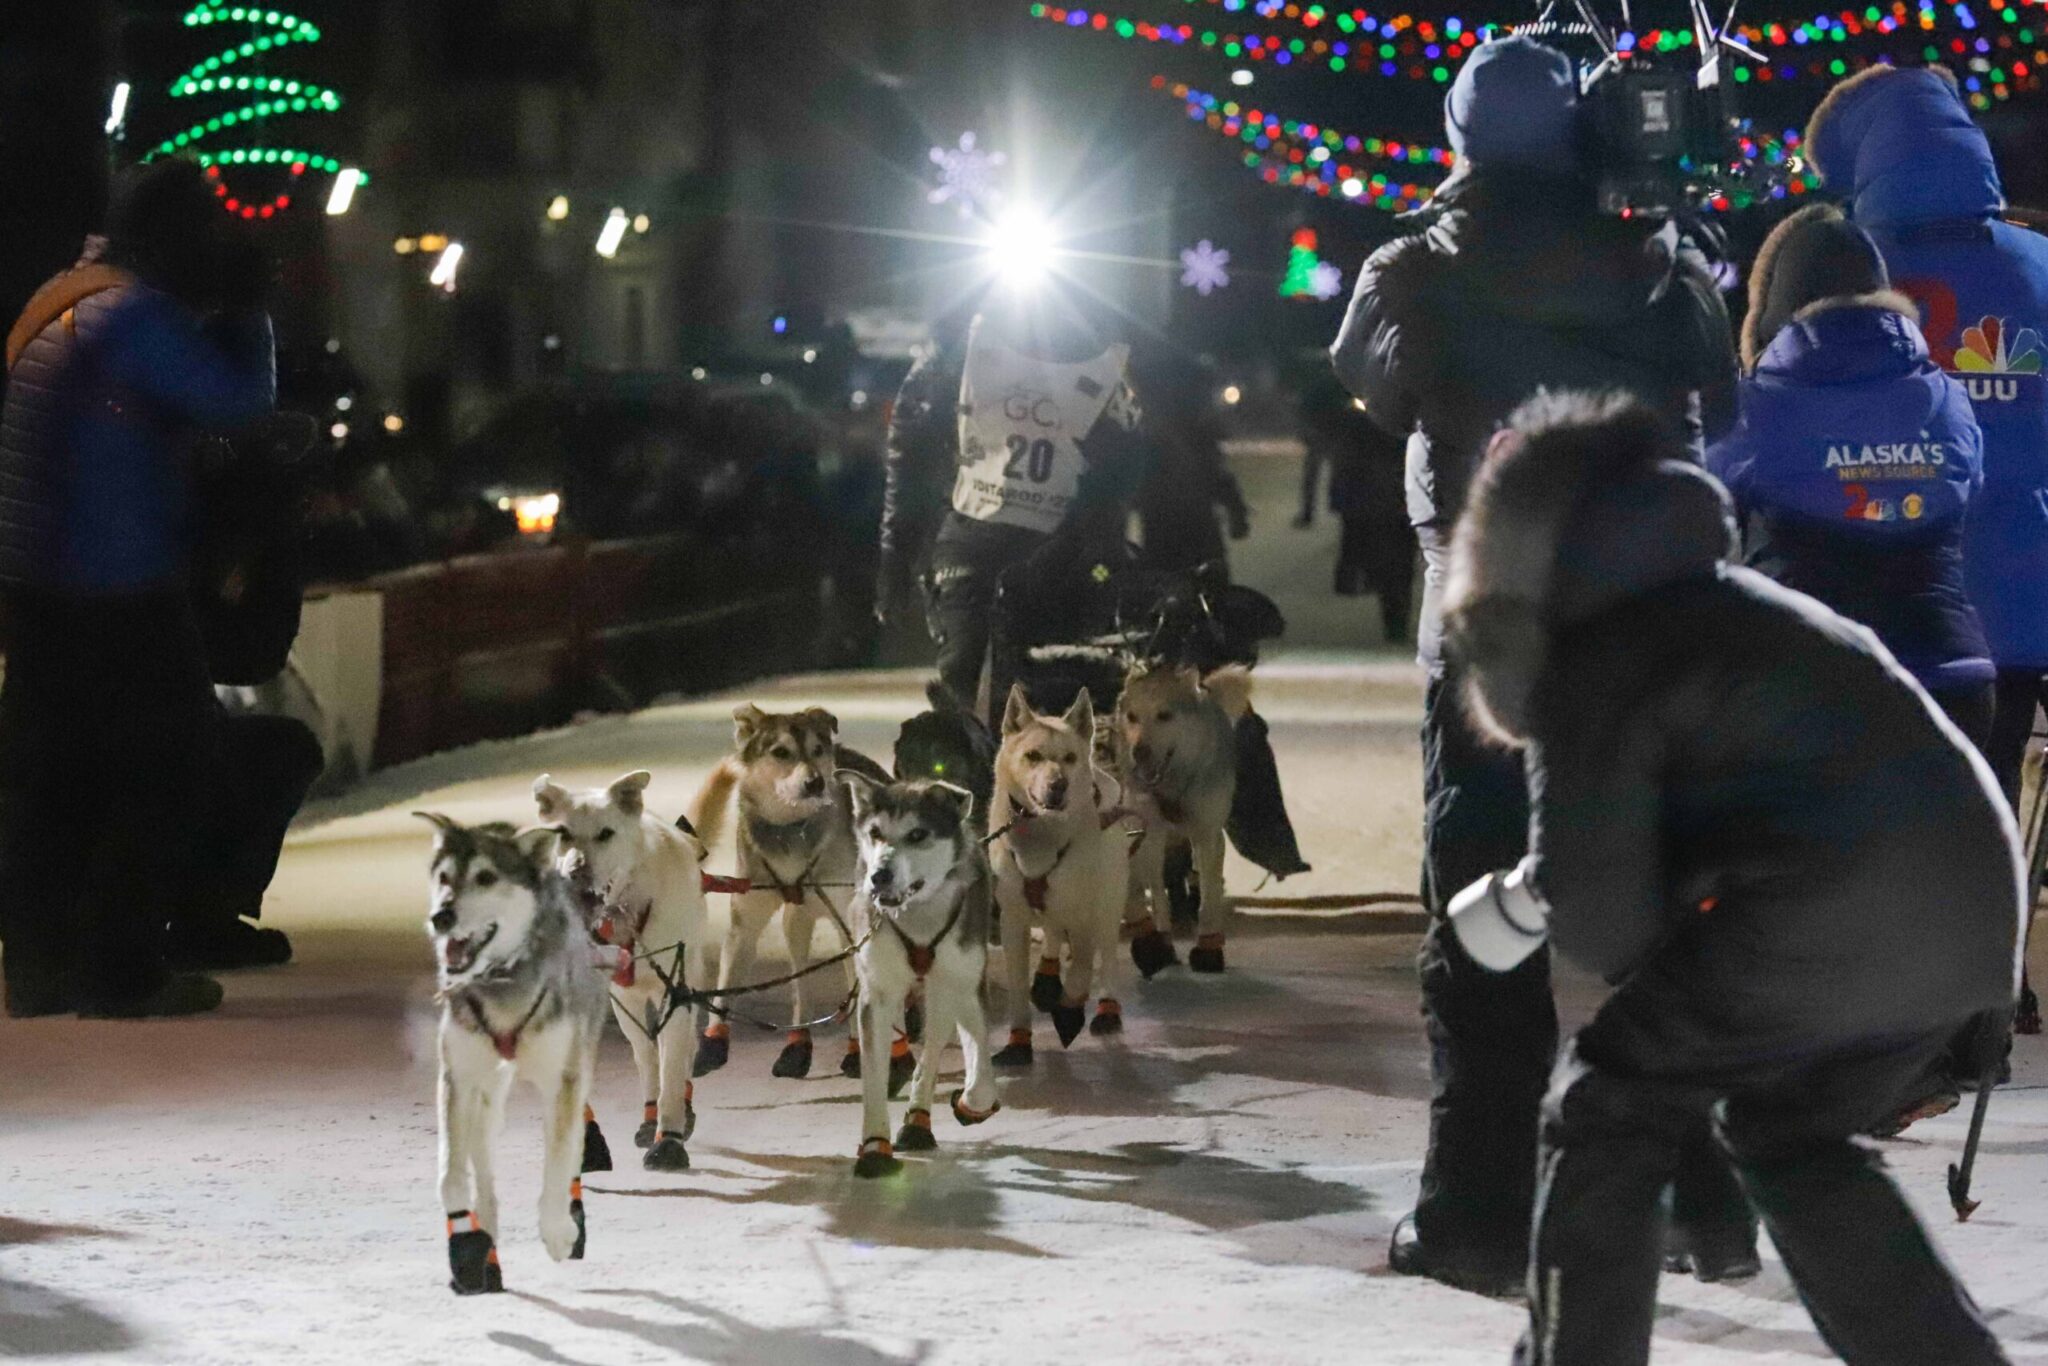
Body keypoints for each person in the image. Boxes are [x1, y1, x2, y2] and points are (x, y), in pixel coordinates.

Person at [1444, 390, 2016, 1366]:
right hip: (1969, 914)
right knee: (1786, 1130)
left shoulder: (1593, 658)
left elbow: (1603, 928)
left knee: (1604, 1103)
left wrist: (1570, 886)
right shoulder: (1746, 606)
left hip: (1829, 916)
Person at [1327, 34, 1739, 1294]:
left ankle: (1476, 1216)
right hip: (1645, 623)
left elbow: (1367, 384)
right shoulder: (1663, 263)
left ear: (1456, 141)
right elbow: (1718, 397)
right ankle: (1703, 1202)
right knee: (1663, 904)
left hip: (1489, 633)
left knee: (1480, 915)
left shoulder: (1409, 267)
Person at [0, 158, 276, 1018]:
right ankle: (118, 968)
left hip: (30, 577)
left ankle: (37, 967)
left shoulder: (62, 295)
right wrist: (251, 311)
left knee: (49, 773)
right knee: (171, 763)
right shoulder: (130, 317)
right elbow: (240, 402)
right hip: (114, 576)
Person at [1805, 66, 2048, 818]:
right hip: (2014, 593)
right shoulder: (2041, 265)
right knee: (1986, 803)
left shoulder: (1835, 268)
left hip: (1869, 594)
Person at [1708, 204, 1991, 738]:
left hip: (1811, 688)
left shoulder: (1756, 408)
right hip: (1951, 681)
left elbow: (1700, 500)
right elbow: (1967, 486)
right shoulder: (1949, 398)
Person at [876, 294, 1146, 720]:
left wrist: (1097, 533)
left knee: (1085, 682)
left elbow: (1127, 457)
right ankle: (966, 768)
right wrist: (897, 556)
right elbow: (910, 449)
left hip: (1066, 547)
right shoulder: (957, 347)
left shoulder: (1101, 352)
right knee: (965, 674)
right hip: (974, 536)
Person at [1300, 369, 1413, 642]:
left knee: (1393, 558)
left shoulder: (1402, 417)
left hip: (1387, 497)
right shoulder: (1354, 419)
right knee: (1389, 555)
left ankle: (1389, 609)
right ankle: (1373, 590)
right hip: (1378, 498)